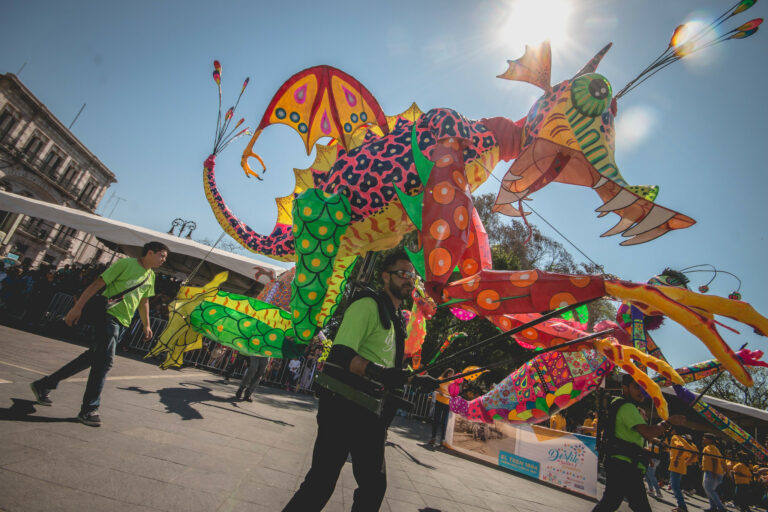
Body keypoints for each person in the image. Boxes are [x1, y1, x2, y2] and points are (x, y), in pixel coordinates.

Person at [281, 250, 438, 512]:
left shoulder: (396, 318)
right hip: (344, 407)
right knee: (323, 483)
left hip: (369, 412)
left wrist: (414, 379)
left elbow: (386, 365)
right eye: (403, 274)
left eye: (413, 275)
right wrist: (379, 373)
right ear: (386, 276)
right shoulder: (367, 304)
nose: (409, 279)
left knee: (371, 487)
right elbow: (342, 354)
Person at [30, 241, 168, 427]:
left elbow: (144, 301)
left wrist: (147, 325)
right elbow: (97, 284)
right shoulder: (126, 264)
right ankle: (89, 408)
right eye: (162, 256)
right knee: (105, 362)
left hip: (123, 323)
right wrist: (77, 307)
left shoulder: (150, 276)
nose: (163, 260)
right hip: (107, 316)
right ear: (150, 253)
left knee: (91, 357)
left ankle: (44, 384)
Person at [592, 373, 685, 512]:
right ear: (625, 388)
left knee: (611, 502)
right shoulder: (627, 407)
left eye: (643, 388)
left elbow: (639, 434)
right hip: (625, 464)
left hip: (622, 462)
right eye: (636, 387)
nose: (641, 391)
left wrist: (657, 441)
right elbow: (647, 431)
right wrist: (669, 422)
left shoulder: (622, 405)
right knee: (632, 506)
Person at [668, 426, 697, 512]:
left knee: (675, 486)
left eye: (671, 429)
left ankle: (682, 506)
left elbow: (680, 448)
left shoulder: (675, 437)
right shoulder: (682, 439)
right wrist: (687, 462)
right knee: (675, 485)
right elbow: (695, 452)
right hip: (681, 465)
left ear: (675, 430)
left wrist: (677, 459)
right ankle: (681, 506)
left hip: (676, 464)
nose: (669, 430)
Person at [428, 367, 454, 447]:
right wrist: (441, 393)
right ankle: (433, 438)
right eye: (449, 373)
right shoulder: (441, 379)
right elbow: (436, 388)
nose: (450, 375)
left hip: (447, 403)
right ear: (447, 373)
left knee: (444, 422)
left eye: (452, 374)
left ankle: (442, 440)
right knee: (436, 419)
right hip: (439, 401)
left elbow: (453, 392)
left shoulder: (452, 382)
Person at [701, 433, 727, 512]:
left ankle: (721, 507)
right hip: (713, 471)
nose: (703, 439)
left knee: (709, 489)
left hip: (712, 471)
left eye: (705, 438)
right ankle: (713, 507)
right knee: (709, 489)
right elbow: (721, 461)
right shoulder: (714, 448)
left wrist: (714, 472)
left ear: (710, 440)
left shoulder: (710, 447)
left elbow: (715, 460)